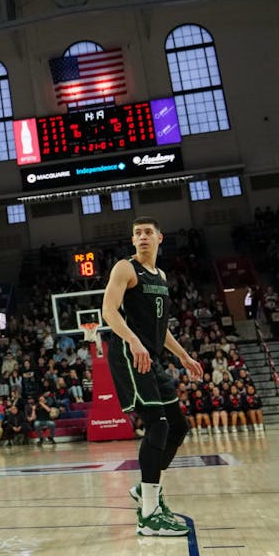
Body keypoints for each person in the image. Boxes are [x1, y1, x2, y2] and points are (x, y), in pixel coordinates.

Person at [101, 216, 205, 537]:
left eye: (148, 232)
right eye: (137, 233)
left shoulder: (160, 276)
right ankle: (148, 515)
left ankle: (145, 488)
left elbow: (161, 328)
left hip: (152, 356)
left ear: (160, 237)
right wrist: (133, 340)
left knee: (178, 426)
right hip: (129, 353)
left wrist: (184, 356)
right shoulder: (125, 268)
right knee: (157, 425)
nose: (142, 236)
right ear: (133, 240)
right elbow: (108, 311)